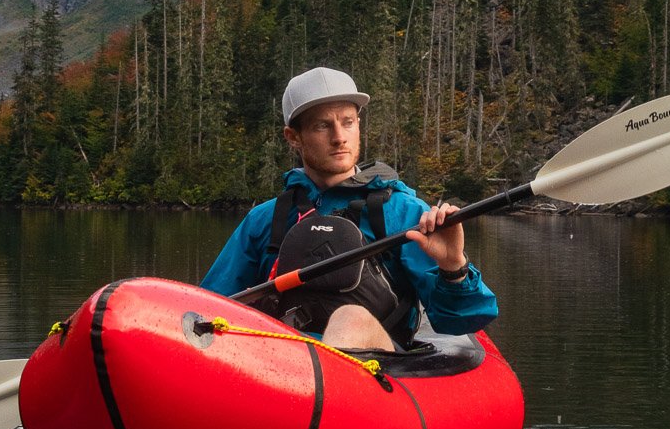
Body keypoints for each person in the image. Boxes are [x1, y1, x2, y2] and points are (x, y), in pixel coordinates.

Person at [200, 66, 498, 352]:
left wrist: (453, 267)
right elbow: (207, 309)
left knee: (350, 318)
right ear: (293, 137)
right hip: (282, 364)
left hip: (375, 369)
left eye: (348, 122)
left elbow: (463, 321)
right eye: (322, 125)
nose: (339, 137)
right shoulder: (266, 219)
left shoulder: (402, 212)